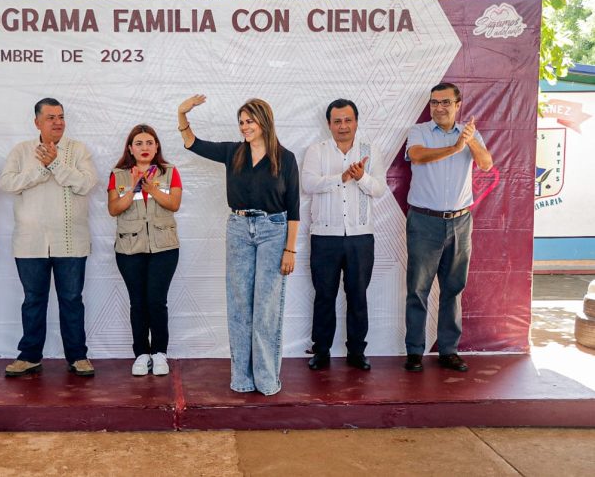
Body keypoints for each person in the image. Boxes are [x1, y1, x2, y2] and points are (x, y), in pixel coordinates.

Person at [177, 95, 299, 396]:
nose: (245, 127)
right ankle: (242, 379)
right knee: (239, 306)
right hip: (239, 229)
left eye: (250, 121)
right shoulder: (234, 153)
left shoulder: (285, 158)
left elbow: (294, 208)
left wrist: (290, 249)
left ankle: (267, 379)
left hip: (274, 230)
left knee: (266, 307)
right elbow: (193, 143)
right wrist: (182, 114)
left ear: (264, 121)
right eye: (241, 122)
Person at [0, 98, 98, 377]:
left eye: (61, 117)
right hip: (30, 242)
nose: (58, 122)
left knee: (71, 298)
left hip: (70, 239)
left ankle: (78, 356)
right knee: (33, 299)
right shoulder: (21, 151)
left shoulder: (78, 150)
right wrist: (42, 170)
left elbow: (86, 184)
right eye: (51, 117)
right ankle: (30, 355)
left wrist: (55, 165)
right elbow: (8, 183)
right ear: (37, 122)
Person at [403, 82, 493, 373]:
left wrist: (470, 141)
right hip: (424, 221)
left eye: (445, 102)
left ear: (458, 105)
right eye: (434, 103)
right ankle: (415, 352)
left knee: (453, 288)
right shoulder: (419, 131)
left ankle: (448, 351)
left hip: (459, 221)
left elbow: (486, 164)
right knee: (418, 289)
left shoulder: (470, 133)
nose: (438, 108)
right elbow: (417, 155)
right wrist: (455, 147)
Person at [302, 99, 387, 371]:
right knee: (324, 295)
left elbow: (379, 189)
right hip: (325, 237)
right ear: (329, 124)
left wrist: (361, 177)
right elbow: (308, 184)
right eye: (337, 121)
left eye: (348, 120)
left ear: (356, 122)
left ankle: (357, 352)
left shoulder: (369, 150)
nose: (343, 126)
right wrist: (341, 178)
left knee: (357, 295)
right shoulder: (316, 151)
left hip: (360, 237)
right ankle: (322, 351)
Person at [107, 124, 182, 376]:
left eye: (149, 142)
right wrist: (134, 188)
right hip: (129, 249)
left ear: (157, 145)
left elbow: (174, 203)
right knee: (138, 302)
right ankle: (141, 353)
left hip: (164, 248)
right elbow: (114, 209)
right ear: (130, 148)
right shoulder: (118, 175)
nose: (144, 147)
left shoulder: (169, 172)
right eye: (138, 143)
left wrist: (151, 189)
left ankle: (160, 353)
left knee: (156, 301)